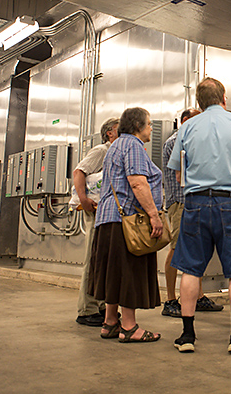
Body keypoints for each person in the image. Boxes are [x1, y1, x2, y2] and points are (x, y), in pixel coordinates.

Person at [168, 77, 231, 354]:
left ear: (199, 102)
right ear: (224, 98)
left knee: (190, 269)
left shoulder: (187, 128)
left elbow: (178, 173)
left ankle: (187, 336)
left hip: (195, 204)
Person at [88, 107, 163, 343]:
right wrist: (154, 215)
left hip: (108, 219)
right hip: (127, 220)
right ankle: (129, 326)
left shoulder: (116, 146)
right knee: (129, 270)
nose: (151, 128)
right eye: (149, 124)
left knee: (114, 272)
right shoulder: (132, 146)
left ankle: (111, 322)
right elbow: (138, 183)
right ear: (138, 126)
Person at [162, 108, 224, 317]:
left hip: (192, 201)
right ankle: (170, 300)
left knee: (195, 249)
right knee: (177, 248)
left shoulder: (189, 141)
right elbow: (186, 173)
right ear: (186, 121)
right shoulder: (175, 142)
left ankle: (198, 297)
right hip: (180, 202)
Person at [73, 117, 118, 327]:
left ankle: (99, 304)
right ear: (109, 132)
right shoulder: (101, 150)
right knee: (93, 258)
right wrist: (84, 199)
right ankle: (86, 309)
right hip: (95, 211)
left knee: (102, 259)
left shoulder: (116, 151)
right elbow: (79, 172)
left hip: (106, 212)